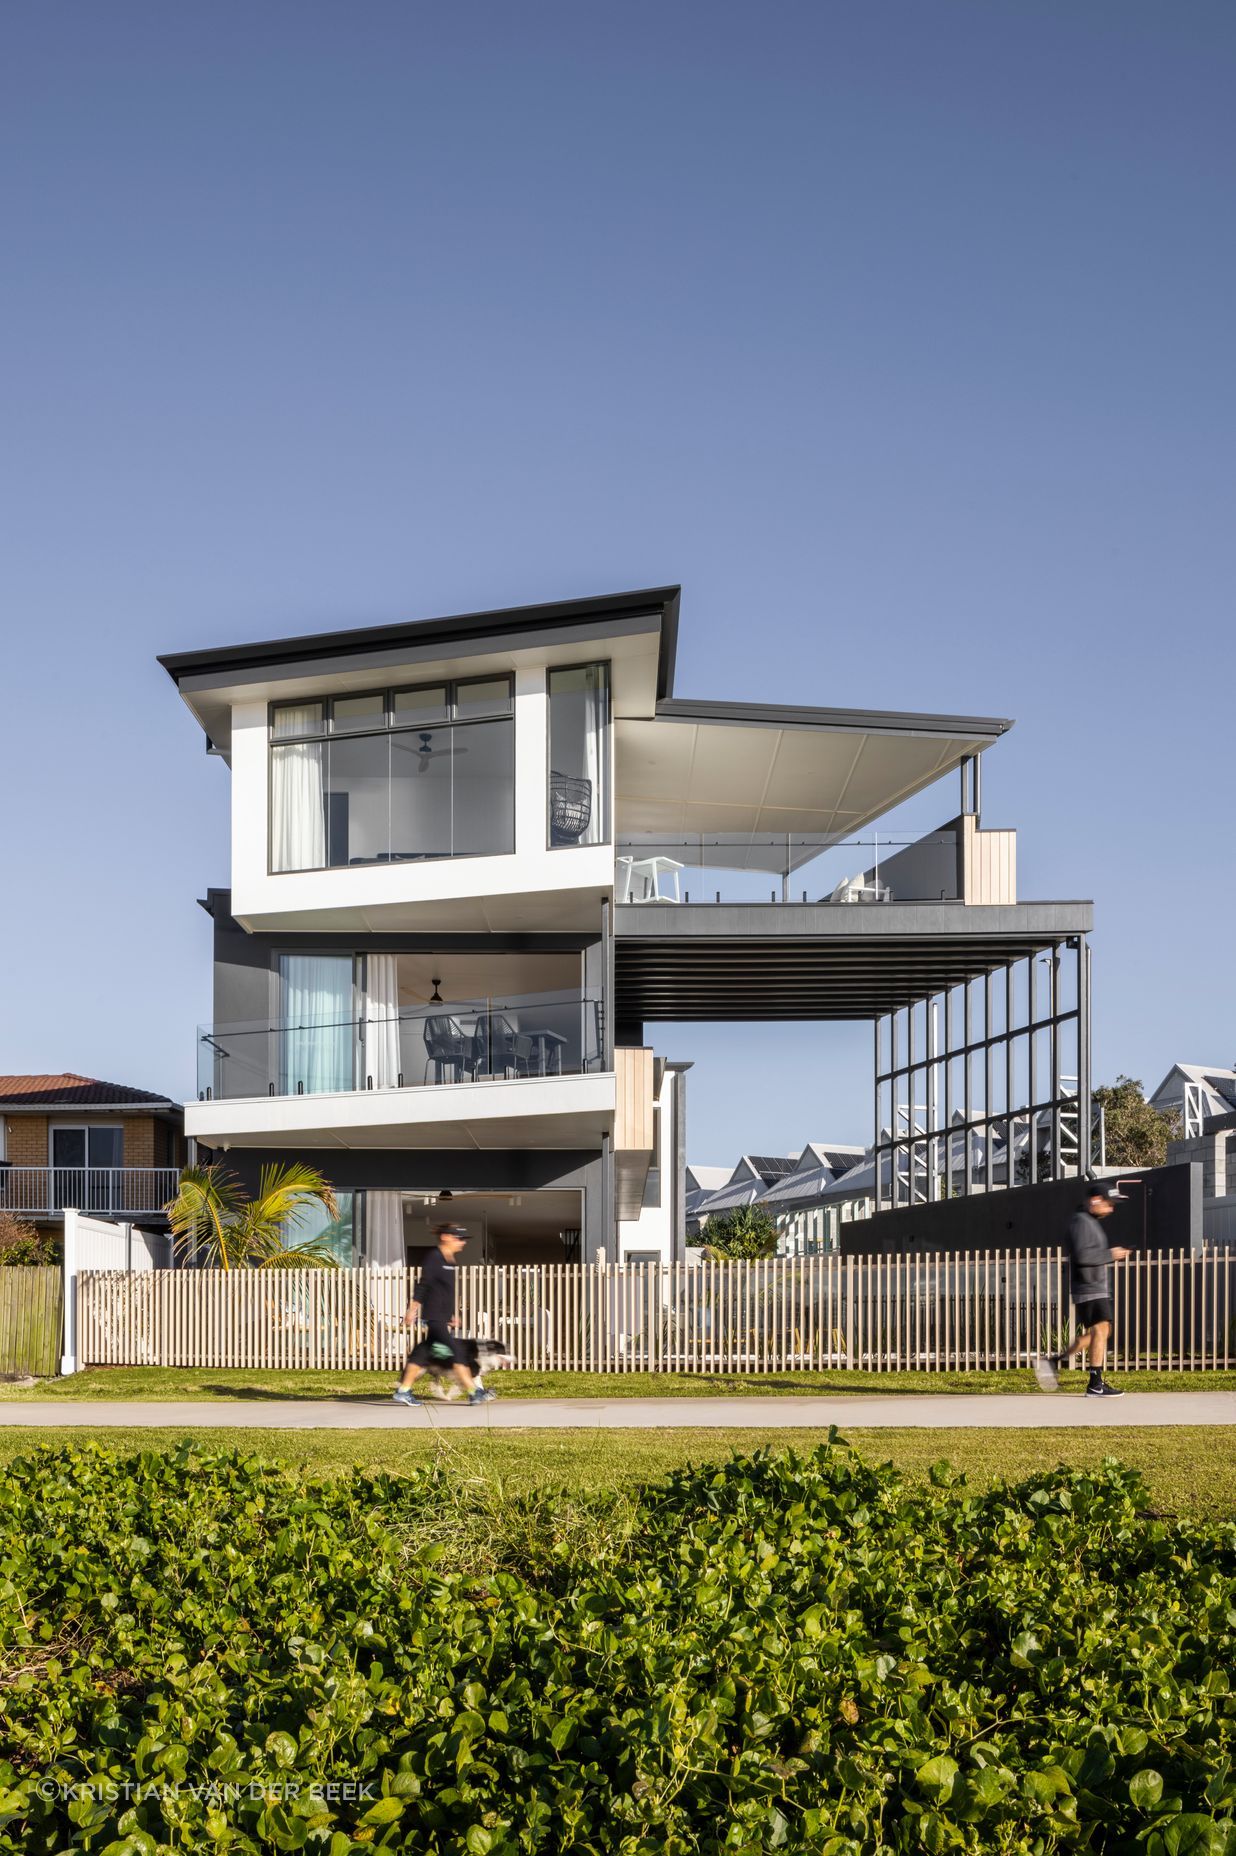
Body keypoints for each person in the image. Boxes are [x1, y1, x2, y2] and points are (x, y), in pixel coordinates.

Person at [1035, 1184, 1131, 1397]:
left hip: (1095, 1287)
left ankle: (1052, 1362)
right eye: (1109, 1204)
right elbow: (1082, 1257)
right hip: (1088, 1288)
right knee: (1099, 1331)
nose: (1111, 1209)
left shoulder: (1089, 1222)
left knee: (1103, 1332)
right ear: (1096, 1200)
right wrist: (1110, 1255)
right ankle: (1095, 1384)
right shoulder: (1081, 1222)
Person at [393, 1224, 495, 1407]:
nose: (462, 1242)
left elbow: (444, 1292)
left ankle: (403, 1391)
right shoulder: (434, 1258)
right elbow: (423, 1285)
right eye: (459, 1238)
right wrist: (412, 1310)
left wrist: (452, 1314)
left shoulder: (449, 1261)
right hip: (435, 1317)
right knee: (457, 1354)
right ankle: (474, 1392)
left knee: (422, 1353)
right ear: (446, 1237)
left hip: (441, 1317)